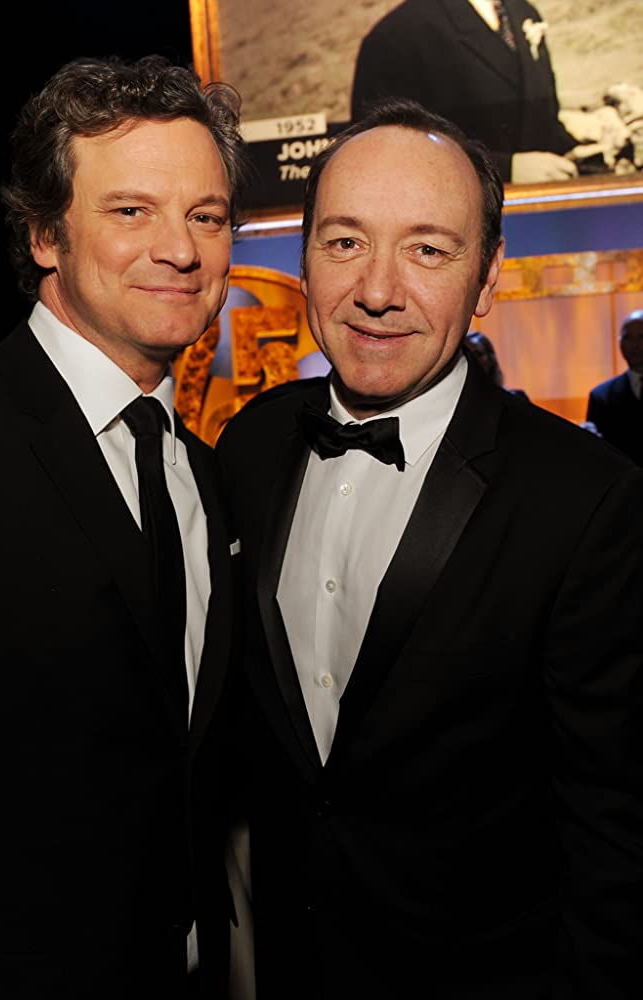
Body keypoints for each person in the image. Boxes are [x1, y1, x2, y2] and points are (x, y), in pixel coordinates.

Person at [216, 97, 643, 998]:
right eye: (344, 242)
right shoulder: (248, 447)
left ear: (485, 279)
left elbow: (614, 822)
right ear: (303, 258)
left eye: (427, 250)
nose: (377, 290)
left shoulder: (586, 500)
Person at [0, 55, 245, 998]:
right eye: (131, 211)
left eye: (207, 216)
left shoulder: (205, 474)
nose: (180, 250)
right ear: (45, 234)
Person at [350, 0, 580, 183]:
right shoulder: (397, 34)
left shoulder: (523, 12)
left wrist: (577, 149)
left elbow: (531, 116)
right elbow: (386, 153)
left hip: (547, 211)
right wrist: (506, 169)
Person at [586, 309, 643, 465]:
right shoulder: (601, 396)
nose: (635, 345)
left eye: (641, 337)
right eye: (627, 338)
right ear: (619, 343)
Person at [464, 330, 530, 399]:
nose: (474, 360)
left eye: (478, 354)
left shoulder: (516, 398)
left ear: (491, 358)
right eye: (468, 355)